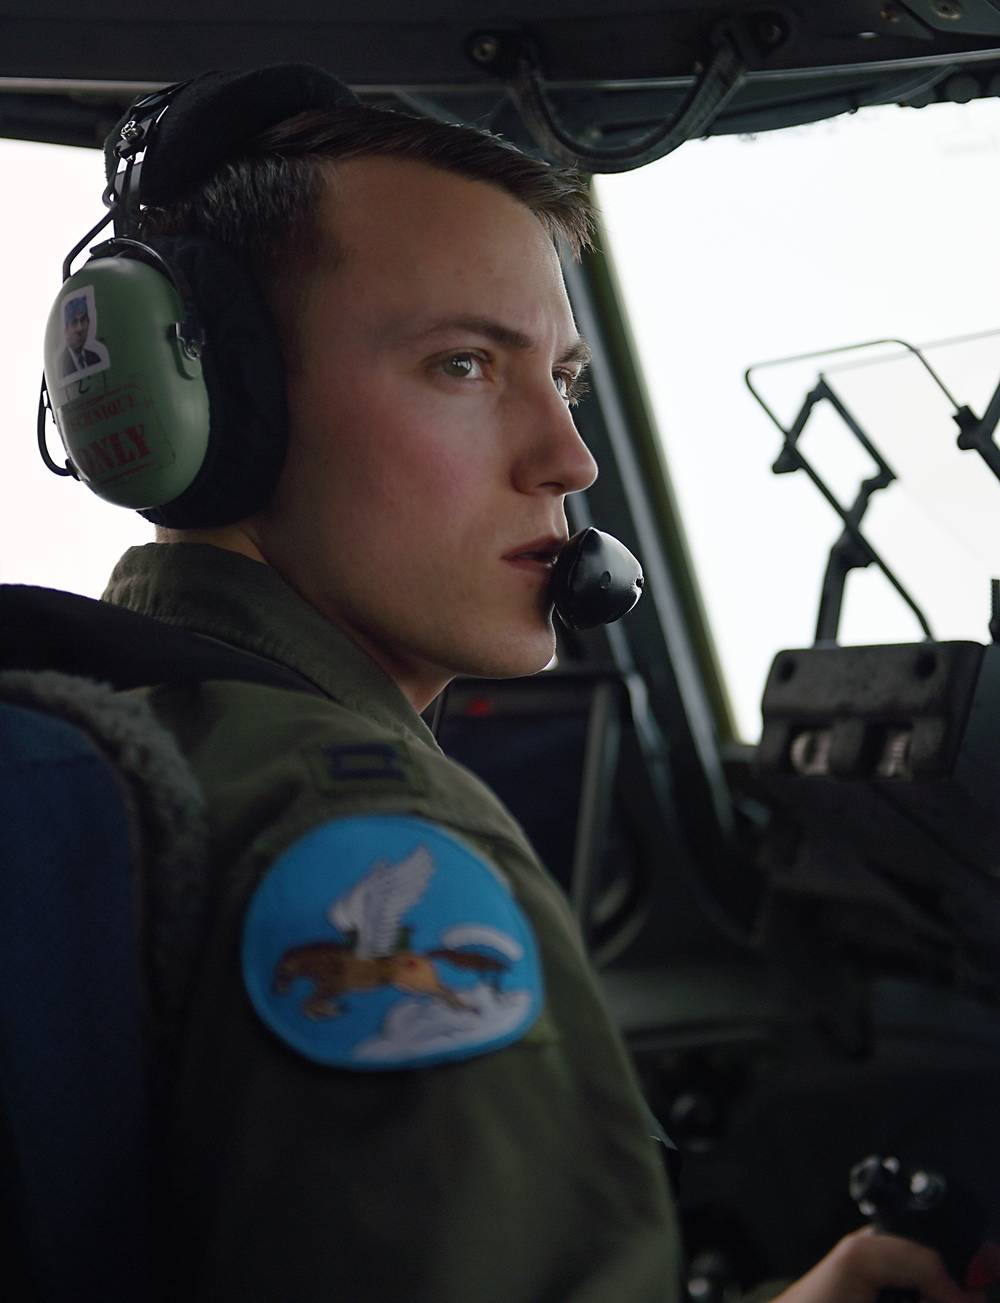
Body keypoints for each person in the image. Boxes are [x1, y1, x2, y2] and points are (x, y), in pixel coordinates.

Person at [96, 87, 981, 1303]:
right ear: (223, 406)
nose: (568, 457)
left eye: (562, 375)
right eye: (463, 363)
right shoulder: (362, 844)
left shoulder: (114, 729)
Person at [58, 294, 104, 378]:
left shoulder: (95, 358)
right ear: (65, 331)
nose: (80, 329)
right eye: (74, 322)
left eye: (83, 320)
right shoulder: (61, 366)